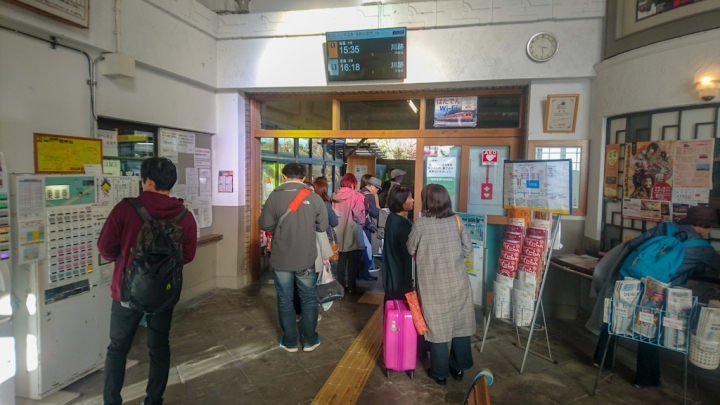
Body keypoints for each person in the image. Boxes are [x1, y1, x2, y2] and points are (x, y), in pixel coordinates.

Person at [98, 157, 198, 405]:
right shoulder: (185, 216)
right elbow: (187, 255)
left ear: (148, 181)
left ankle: (111, 401)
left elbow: (106, 250)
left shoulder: (125, 209)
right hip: (164, 292)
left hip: (125, 291)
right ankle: (153, 400)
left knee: (117, 348)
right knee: (159, 347)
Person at [589, 206, 720, 387]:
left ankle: (602, 361)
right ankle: (645, 379)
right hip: (657, 292)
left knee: (615, 320)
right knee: (649, 331)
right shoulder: (703, 248)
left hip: (630, 280)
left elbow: (634, 244)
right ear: (705, 226)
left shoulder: (666, 228)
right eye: (711, 227)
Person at [407, 184, 475, 385]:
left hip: (432, 284)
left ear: (427, 201)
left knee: (437, 326)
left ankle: (439, 373)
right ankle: (459, 367)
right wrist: (453, 259)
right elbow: (468, 249)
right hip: (458, 281)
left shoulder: (420, 224)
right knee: (460, 324)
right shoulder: (456, 221)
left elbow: (411, 249)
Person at [259, 163, 329, 352]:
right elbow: (323, 226)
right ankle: (309, 340)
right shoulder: (314, 198)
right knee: (308, 299)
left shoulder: (273, 197)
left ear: (283, 177)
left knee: (284, 299)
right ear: (304, 178)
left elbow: (265, 224)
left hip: (281, 259)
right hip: (305, 258)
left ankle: (290, 341)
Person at [332, 173, 366, 294]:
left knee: (341, 260)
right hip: (351, 231)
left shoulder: (335, 195)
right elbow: (358, 214)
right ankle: (351, 287)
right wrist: (363, 223)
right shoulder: (356, 196)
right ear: (353, 184)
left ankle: (341, 287)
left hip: (338, 231)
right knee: (353, 261)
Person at [381, 185, 414, 301]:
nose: (413, 200)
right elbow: (408, 251)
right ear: (401, 201)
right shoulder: (402, 224)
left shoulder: (392, 218)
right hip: (400, 274)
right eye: (410, 198)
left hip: (392, 273)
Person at [359, 174, 382, 280]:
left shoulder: (359, 192)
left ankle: (359, 273)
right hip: (366, 226)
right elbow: (374, 213)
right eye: (377, 189)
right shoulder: (370, 196)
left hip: (357, 225)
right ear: (372, 187)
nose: (377, 191)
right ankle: (365, 273)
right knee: (367, 249)